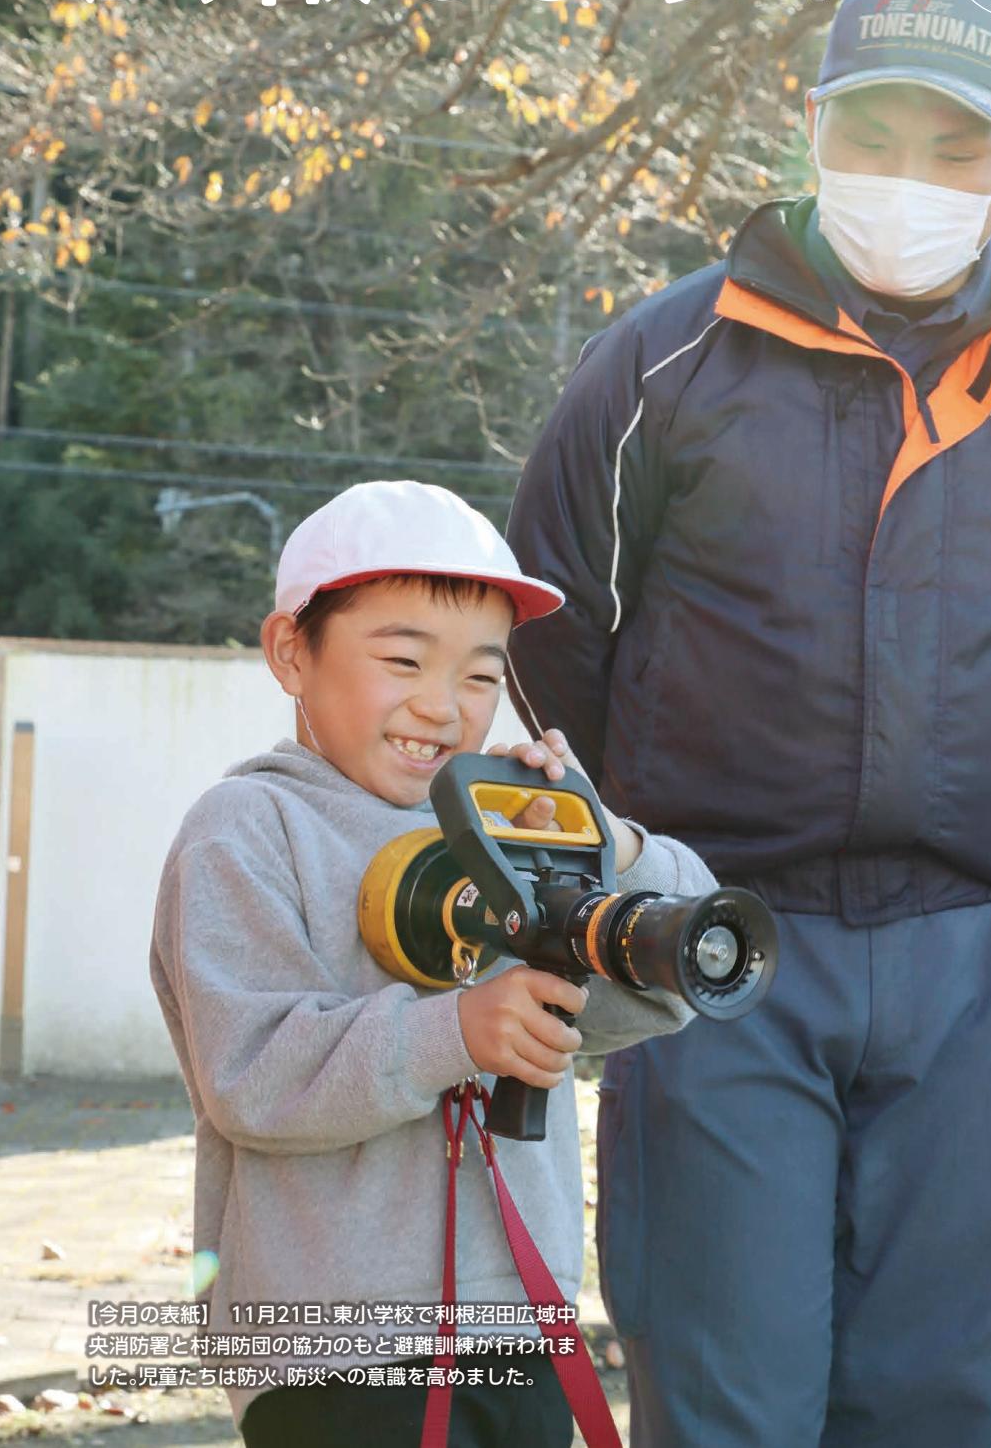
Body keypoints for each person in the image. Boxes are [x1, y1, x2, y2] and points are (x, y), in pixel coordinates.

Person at [504, 0, 991, 1448]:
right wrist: (656, 843)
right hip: (714, 948)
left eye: (954, 146)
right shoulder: (660, 363)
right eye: (871, 133)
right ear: (810, 125)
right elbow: (552, 623)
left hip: (976, 966)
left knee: (930, 1398)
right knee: (726, 1392)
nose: (909, 177)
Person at [149, 478, 722, 1447]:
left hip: (520, 1324)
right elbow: (252, 1074)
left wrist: (600, 840)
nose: (443, 706)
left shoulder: (505, 824)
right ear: (292, 652)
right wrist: (453, 1030)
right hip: (333, 1348)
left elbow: (665, 982)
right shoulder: (246, 830)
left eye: (480, 675)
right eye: (403, 659)